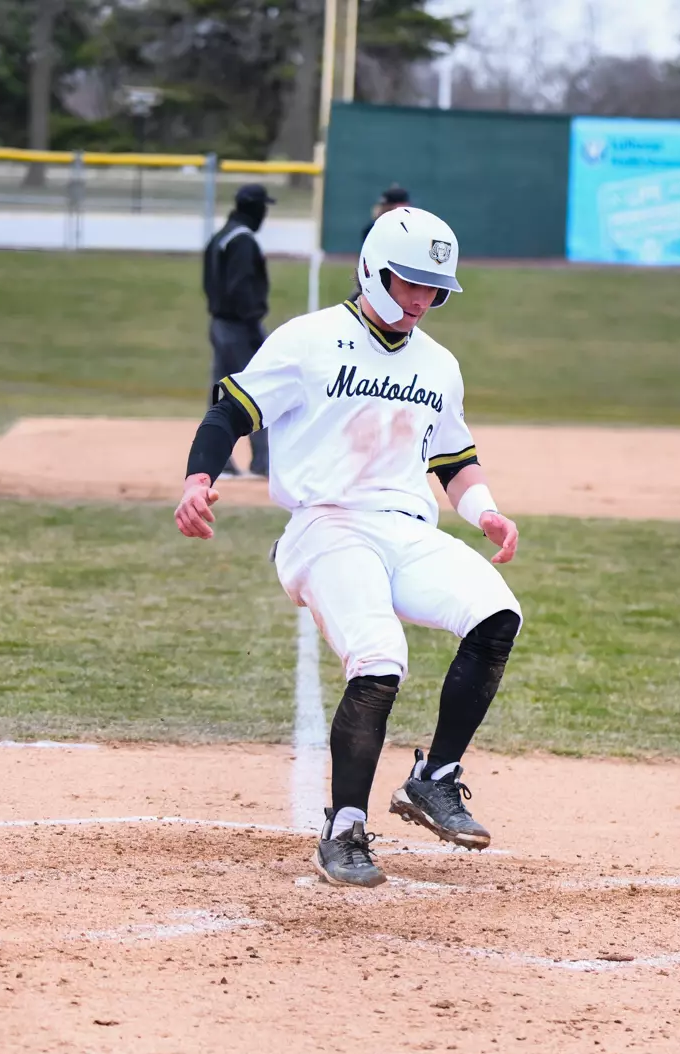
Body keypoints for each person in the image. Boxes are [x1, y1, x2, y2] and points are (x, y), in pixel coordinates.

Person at [175, 206, 523, 888]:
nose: (421, 299)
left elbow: (453, 459)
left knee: (497, 613)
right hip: (327, 525)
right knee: (379, 654)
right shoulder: (309, 340)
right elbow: (230, 411)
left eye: (433, 288)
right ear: (372, 267)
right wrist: (197, 480)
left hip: (406, 529)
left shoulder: (439, 364)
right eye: (408, 282)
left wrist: (486, 512)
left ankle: (435, 777)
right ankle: (344, 827)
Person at [203, 183, 275, 477]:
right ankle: (263, 462)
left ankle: (215, 459)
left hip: (219, 323)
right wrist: (254, 326)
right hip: (239, 327)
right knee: (258, 392)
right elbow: (242, 287)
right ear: (255, 208)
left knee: (221, 394)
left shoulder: (221, 236)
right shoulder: (243, 240)